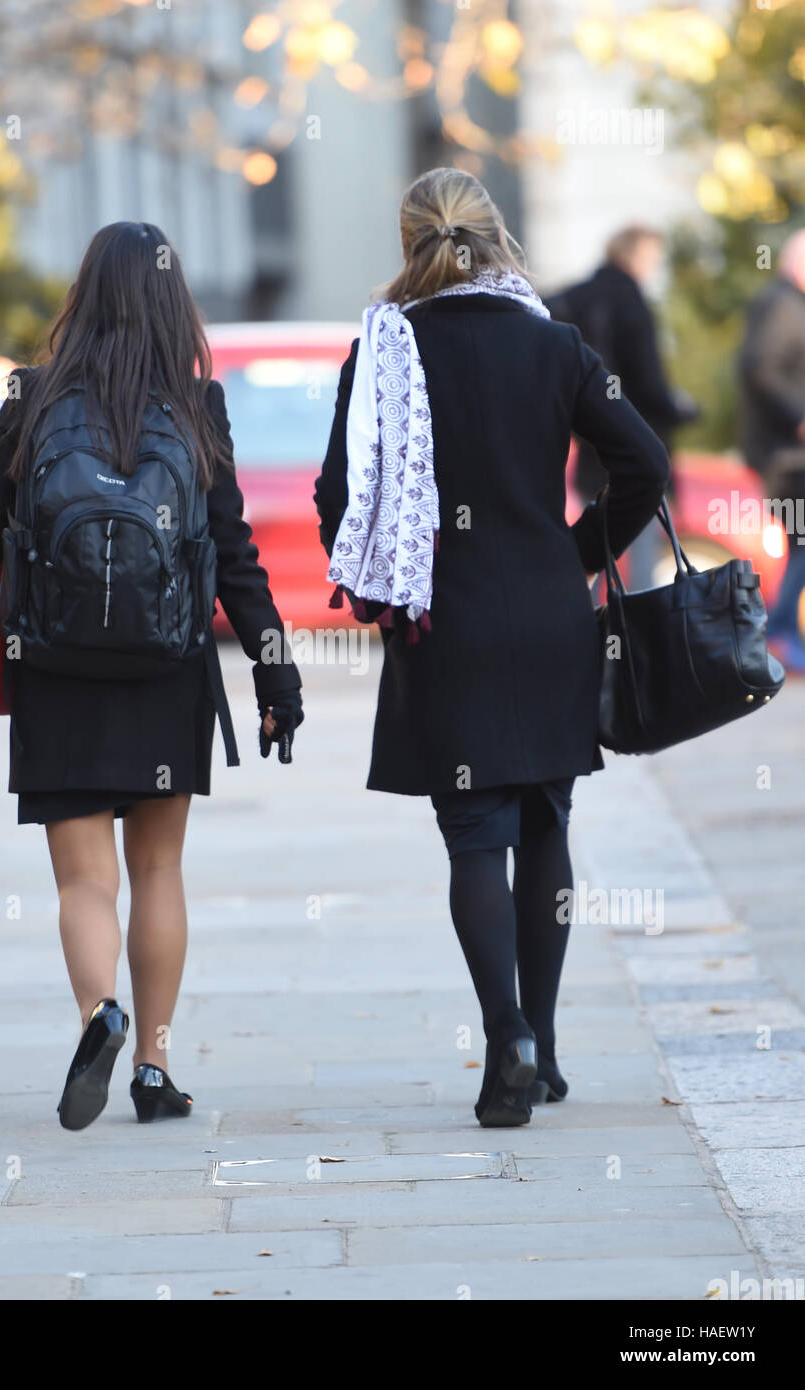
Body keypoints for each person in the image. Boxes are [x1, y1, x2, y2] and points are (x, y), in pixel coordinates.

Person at [315, 169, 669, 1128]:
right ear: (497, 235)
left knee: (477, 836)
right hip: (551, 618)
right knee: (547, 825)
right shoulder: (554, 346)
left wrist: (385, 578)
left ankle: (507, 1033)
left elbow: (337, 498)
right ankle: (543, 1052)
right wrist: (578, 555)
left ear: (410, 243)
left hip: (447, 626)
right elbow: (644, 462)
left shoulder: (383, 350)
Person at [0, 221, 303, 1131]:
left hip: (58, 668)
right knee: (158, 869)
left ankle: (95, 1015)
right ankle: (152, 1064)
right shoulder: (198, 407)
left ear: (84, 296)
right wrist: (276, 676)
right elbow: (235, 558)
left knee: (84, 883)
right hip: (166, 665)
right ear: (169, 300)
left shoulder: (31, 403)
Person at [547, 225, 698, 589]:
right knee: (643, 546)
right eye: (652, 258)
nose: (654, 267)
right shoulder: (632, 302)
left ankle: (590, 627)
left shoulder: (574, 296)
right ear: (633, 255)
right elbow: (648, 381)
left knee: (593, 540)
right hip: (637, 435)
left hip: (591, 441)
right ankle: (643, 640)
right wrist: (679, 409)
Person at [739, 229, 805, 674]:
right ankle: (779, 630)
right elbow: (764, 371)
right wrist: (800, 416)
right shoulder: (783, 305)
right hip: (787, 455)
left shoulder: (785, 303)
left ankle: (782, 630)